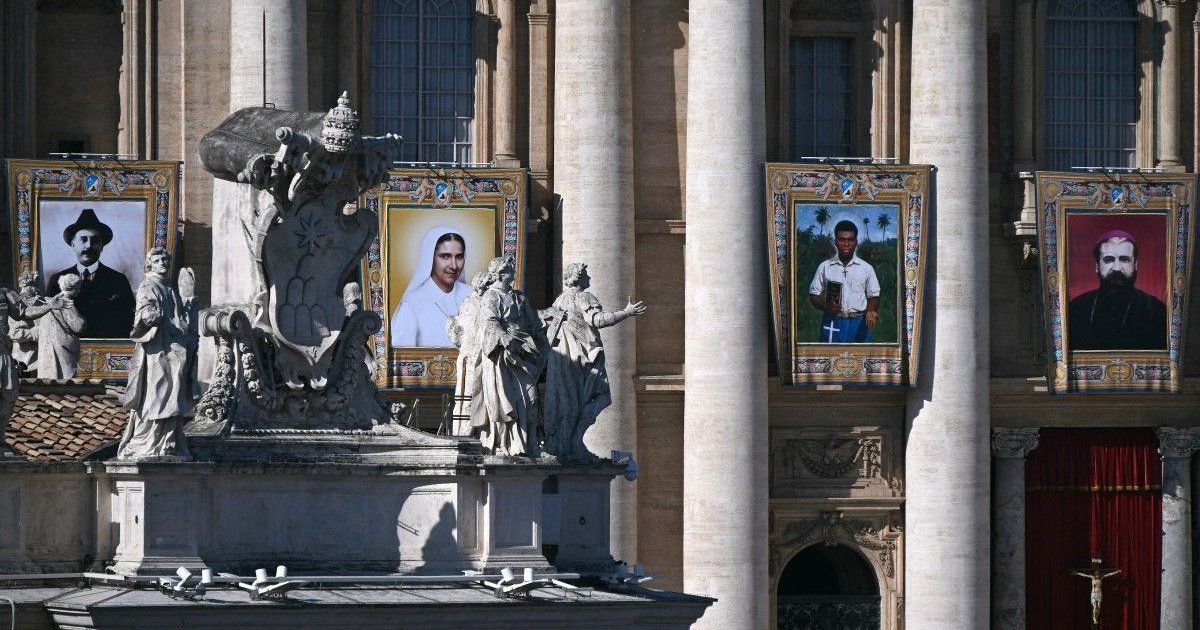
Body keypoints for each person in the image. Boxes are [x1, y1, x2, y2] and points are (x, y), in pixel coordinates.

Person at [541, 262, 646, 461]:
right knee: (602, 396)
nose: (589, 278)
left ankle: (566, 443)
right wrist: (627, 312)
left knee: (567, 401)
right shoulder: (583, 297)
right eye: (586, 275)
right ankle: (575, 441)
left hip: (561, 358)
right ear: (578, 277)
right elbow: (598, 320)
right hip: (583, 358)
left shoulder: (559, 300)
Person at [117, 247, 198, 460]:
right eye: (158, 260)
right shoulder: (147, 286)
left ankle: (168, 439)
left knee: (175, 389)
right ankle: (148, 439)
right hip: (157, 350)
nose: (163, 263)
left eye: (165, 260)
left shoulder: (170, 290)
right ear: (149, 264)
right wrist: (151, 315)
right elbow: (144, 314)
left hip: (175, 350)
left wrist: (187, 311)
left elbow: (180, 318)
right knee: (157, 390)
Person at [472, 256, 546, 457]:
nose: (512, 272)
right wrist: (504, 337)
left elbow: (534, 323)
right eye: (508, 269)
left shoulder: (519, 297)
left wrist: (546, 325)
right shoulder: (491, 297)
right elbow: (490, 322)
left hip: (521, 352)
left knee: (531, 399)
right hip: (500, 356)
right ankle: (503, 446)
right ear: (500, 274)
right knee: (503, 401)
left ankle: (530, 446)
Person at [1067, 230, 1167, 350]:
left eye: (1124, 259)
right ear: (1097, 266)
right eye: (1109, 260)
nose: (1117, 268)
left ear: (1135, 264)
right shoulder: (1077, 308)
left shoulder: (1156, 309)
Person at [46, 208, 136, 338]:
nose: (88, 246)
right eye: (83, 239)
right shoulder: (56, 280)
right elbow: (48, 322)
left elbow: (129, 322)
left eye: (95, 241)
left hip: (107, 350)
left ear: (102, 246)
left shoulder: (118, 280)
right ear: (73, 244)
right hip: (68, 352)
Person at [0, 281, 63, 453]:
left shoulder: (5, 293)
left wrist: (49, 306)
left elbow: (24, 312)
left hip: (3, 352)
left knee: (8, 395)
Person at [389, 227, 472, 347]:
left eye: (459, 257)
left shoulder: (472, 296)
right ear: (430, 258)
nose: (454, 265)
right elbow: (404, 359)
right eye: (445, 256)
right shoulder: (412, 304)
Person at [808, 220, 881, 342]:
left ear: (856, 242)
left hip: (859, 323)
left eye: (851, 240)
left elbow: (874, 295)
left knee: (860, 359)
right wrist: (826, 306)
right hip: (832, 321)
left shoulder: (866, 268)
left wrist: (871, 310)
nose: (846, 244)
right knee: (828, 359)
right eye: (842, 240)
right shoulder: (825, 266)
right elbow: (813, 295)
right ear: (835, 242)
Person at [36, 274, 86, 379]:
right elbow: (78, 326)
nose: (80, 291)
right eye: (79, 287)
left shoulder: (51, 301)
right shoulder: (65, 302)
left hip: (46, 351)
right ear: (73, 287)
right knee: (64, 386)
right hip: (62, 350)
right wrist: (83, 319)